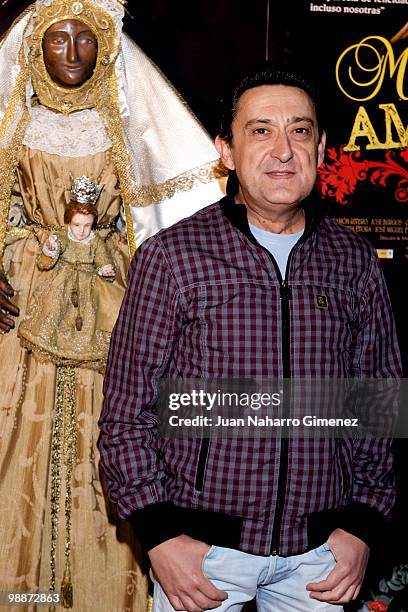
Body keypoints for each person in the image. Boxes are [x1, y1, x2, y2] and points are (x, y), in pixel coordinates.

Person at [98, 63, 402, 612]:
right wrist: (162, 536)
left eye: (300, 130)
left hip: (321, 561)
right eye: (261, 130)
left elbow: (377, 411)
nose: (283, 150)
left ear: (322, 147)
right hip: (202, 556)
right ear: (226, 151)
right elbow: (126, 416)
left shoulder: (353, 262)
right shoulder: (171, 258)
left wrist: (361, 529)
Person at [0, 0, 224, 609]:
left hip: (109, 292)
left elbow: (161, 211)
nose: (72, 54)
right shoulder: (13, 118)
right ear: (33, 49)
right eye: (57, 39)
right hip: (26, 295)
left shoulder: (125, 120)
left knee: (115, 432)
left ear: (106, 43)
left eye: (85, 39)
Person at [18, 177, 119, 371]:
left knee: (90, 318)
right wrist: (50, 251)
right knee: (52, 308)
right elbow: (45, 261)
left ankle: (83, 352)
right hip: (61, 282)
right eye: (77, 225)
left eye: (87, 225)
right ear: (69, 222)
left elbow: (103, 259)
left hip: (88, 286)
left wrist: (105, 268)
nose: (81, 231)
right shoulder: (62, 237)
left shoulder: (95, 241)